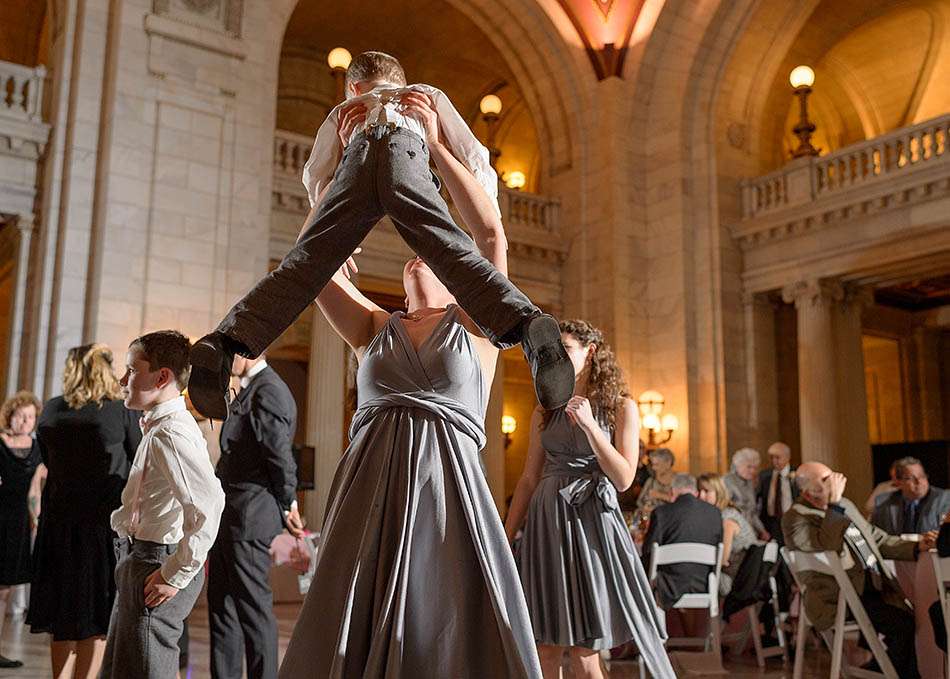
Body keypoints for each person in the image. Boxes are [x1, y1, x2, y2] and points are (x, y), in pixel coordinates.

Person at [277, 88, 541, 678]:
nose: (417, 255)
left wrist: (436, 146)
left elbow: (492, 237)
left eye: (434, 254)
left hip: (448, 489)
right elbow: (309, 261)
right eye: (409, 256)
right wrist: (346, 169)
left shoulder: (478, 324)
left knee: (441, 622)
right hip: (370, 485)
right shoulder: (375, 326)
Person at [187, 50, 572, 422]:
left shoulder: (472, 323)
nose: (418, 259)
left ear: (352, 89)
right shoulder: (424, 97)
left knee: (303, 267)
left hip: (354, 163)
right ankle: (527, 327)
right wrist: (441, 147)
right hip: (404, 157)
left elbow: (314, 181)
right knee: (444, 243)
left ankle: (225, 343)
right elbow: (475, 158)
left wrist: (329, 234)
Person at [505, 320, 675, 679]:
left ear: (591, 351)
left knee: (585, 651)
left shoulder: (622, 407)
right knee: (545, 648)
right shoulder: (544, 409)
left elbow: (625, 478)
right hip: (546, 524)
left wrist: (591, 426)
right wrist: (506, 537)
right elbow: (528, 479)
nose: (559, 358)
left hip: (592, 522)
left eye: (566, 349)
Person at [101, 330, 225, 677]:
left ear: (162, 376)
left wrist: (175, 574)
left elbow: (209, 504)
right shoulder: (159, 427)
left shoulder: (171, 431)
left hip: (157, 560)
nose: (123, 380)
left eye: (131, 370)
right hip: (141, 557)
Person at [27, 344, 141, 679]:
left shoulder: (51, 410)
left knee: (63, 614)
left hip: (59, 523)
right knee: (95, 616)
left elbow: (47, 461)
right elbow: (139, 462)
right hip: (101, 526)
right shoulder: (120, 411)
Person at [783, 461, 932, 679]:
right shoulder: (795, 518)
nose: (834, 481)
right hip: (836, 597)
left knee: (908, 619)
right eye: (825, 479)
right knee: (903, 625)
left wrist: (917, 546)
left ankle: (879, 670)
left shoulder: (844, 505)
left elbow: (875, 538)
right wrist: (833, 506)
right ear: (807, 490)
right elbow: (829, 546)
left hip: (866, 587)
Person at [209, 353, 304, 679]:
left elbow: (279, 456)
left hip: (250, 518)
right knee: (222, 610)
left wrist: (288, 502)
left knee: (253, 613)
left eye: (228, 353)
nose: (223, 359)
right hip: (229, 515)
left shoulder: (269, 391)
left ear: (249, 352)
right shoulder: (251, 389)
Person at [0, 391, 42, 668]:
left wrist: (35, 520)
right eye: (21, 415)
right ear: (10, 415)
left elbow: (34, 489)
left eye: (31, 417)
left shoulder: (37, 447)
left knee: (5, 589)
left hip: (17, 524)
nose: (26, 421)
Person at [642, 474, 723, 610]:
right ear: (696, 493)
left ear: (672, 492)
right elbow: (717, 544)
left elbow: (648, 552)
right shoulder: (715, 513)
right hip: (704, 583)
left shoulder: (661, 513)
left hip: (669, 586)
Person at [698, 473, 761, 596]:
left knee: (688, 580)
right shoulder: (716, 515)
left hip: (740, 578)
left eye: (706, 491)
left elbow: (723, 560)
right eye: (699, 491)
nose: (701, 496)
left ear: (719, 492)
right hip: (737, 573)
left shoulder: (727, 517)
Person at [871, 456, 950, 535]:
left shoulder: (945, 499)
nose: (919, 481)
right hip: (897, 546)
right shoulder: (883, 502)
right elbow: (875, 535)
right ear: (898, 482)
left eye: (922, 476)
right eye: (911, 478)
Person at [757, 441, 796, 545]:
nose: (774, 461)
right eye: (772, 457)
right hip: (771, 523)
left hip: (792, 521)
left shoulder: (797, 473)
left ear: (787, 457)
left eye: (777, 457)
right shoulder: (764, 475)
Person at [724, 447, 768, 539]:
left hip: (750, 531)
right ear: (737, 465)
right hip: (735, 531)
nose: (752, 471)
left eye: (755, 467)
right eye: (749, 467)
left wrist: (762, 530)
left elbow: (752, 512)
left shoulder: (749, 483)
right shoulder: (727, 481)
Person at [635, 447, 675, 515]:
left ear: (668, 463)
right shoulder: (650, 481)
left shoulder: (679, 481)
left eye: (656, 465)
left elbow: (683, 503)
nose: (653, 468)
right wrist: (644, 508)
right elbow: (639, 502)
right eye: (652, 464)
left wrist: (660, 495)